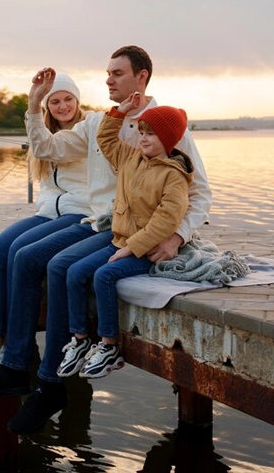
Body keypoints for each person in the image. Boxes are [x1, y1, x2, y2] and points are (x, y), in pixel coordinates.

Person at [0, 45, 212, 436]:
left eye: (117, 73)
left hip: (133, 230)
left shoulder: (166, 126)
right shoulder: (98, 123)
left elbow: (199, 192)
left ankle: (48, 382)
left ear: (142, 77)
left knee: (57, 266)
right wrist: (34, 106)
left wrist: (177, 236)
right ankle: (14, 366)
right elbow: (46, 148)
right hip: (100, 222)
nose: (108, 80)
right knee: (27, 258)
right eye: (107, 73)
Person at [0, 72, 90, 379]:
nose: (63, 106)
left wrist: (33, 109)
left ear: (78, 100)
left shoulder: (87, 130)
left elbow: (51, 148)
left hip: (79, 212)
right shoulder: (43, 132)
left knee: (21, 251)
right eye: (55, 101)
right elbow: (46, 174)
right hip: (49, 211)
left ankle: (19, 351)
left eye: (68, 99)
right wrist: (34, 104)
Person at [57, 95, 193, 380]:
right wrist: (119, 113)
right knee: (74, 272)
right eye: (141, 132)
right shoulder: (131, 157)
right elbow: (105, 139)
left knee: (104, 276)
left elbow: (166, 221)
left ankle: (109, 346)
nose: (143, 139)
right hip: (120, 240)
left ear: (168, 139)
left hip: (148, 250)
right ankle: (80, 340)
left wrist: (131, 248)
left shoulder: (174, 176)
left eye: (150, 134)